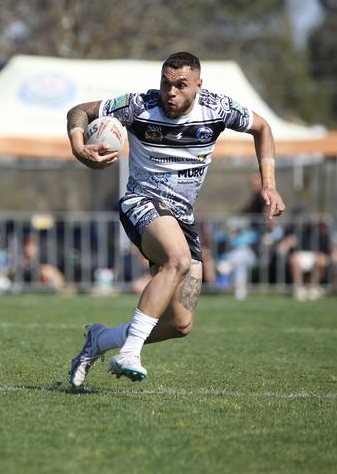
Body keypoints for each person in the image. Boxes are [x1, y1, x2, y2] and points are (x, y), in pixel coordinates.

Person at [66, 52, 285, 386]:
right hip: (141, 202)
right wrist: (79, 145)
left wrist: (269, 185)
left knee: (179, 324)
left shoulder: (218, 109)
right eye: (166, 83)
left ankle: (100, 340)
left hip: (182, 218)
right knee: (178, 258)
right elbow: (79, 111)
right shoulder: (139, 105)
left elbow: (263, 127)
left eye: (181, 85)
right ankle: (129, 353)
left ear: (198, 84)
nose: (171, 92)